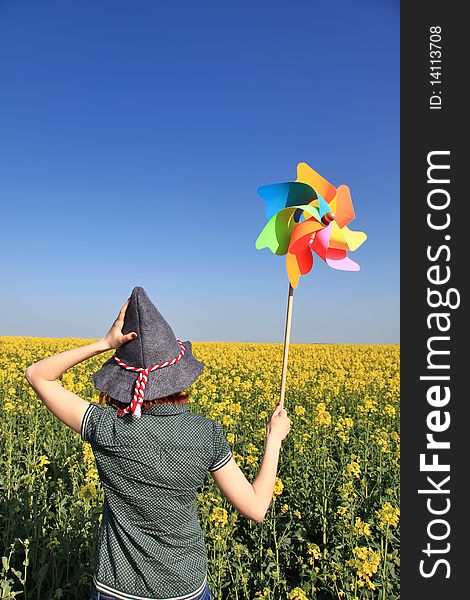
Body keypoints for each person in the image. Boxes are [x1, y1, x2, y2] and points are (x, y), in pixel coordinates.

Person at [25, 286, 291, 600]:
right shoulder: (205, 434)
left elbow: (38, 375)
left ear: (122, 380)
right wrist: (273, 440)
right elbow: (257, 508)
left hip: (117, 589)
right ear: (178, 376)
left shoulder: (106, 426)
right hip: (184, 588)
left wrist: (103, 344)